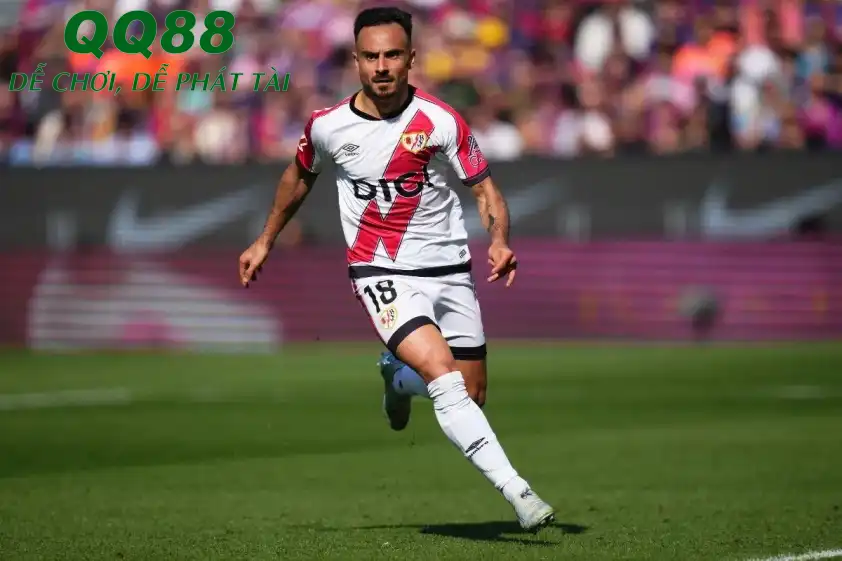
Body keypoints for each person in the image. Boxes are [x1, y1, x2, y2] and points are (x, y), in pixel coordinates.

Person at [238, 6, 555, 532]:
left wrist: (499, 240)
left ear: (411, 58)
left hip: (449, 270)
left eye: (391, 55)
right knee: (445, 379)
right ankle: (519, 493)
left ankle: (397, 378)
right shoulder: (328, 126)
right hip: (379, 270)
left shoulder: (441, 121)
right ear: (356, 60)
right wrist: (265, 239)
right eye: (371, 56)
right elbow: (298, 178)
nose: (381, 66)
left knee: (471, 394)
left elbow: (485, 191)